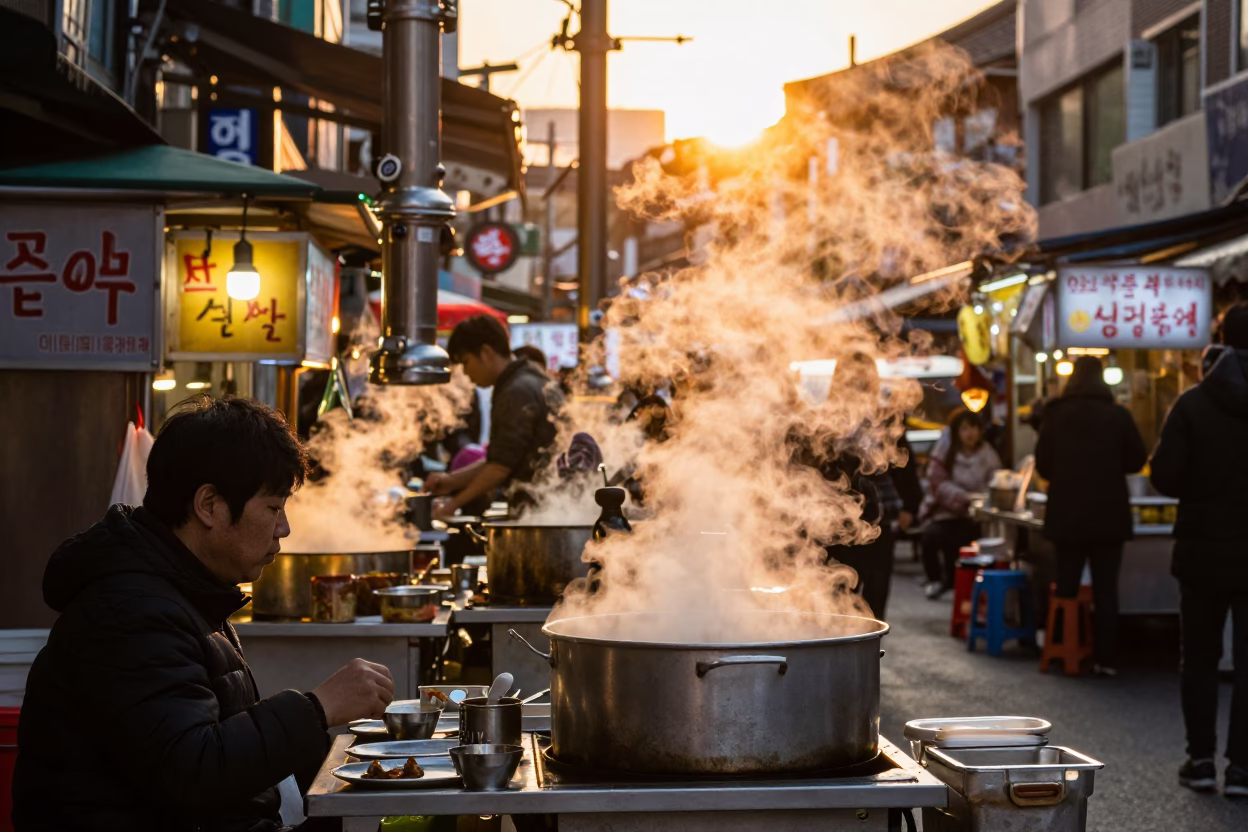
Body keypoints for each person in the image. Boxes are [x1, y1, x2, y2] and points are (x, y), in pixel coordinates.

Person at [14, 397, 395, 832]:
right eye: (273, 507)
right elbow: (193, 770)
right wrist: (317, 708)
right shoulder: (129, 612)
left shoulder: (186, 592)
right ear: (209, 505)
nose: (284, 528)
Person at [1151, 301, 1248, 797]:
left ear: (1222, 340)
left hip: (1202, 548)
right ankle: (1243, 770)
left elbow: (1164, 475)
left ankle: (1202, 760)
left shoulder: (1193, 403)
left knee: (1201, 657)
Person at [1034, 355, 1147, 676]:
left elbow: (1043, 465)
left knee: (1067, 585)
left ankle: (1061, 650)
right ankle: (1106, 658)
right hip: (1109, 516)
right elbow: (1137, 460)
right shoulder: (1118, 416)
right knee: (1106, 589)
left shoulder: (1056, 415)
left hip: (1067, 516)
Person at [428, 316, 559, 518]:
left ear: (486, 353)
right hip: (552, 507)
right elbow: (501, 458)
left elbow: (499, 468)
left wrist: (452, 505)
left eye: (466, 362)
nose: (465, 372)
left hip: (543, 511)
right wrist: (451, 481)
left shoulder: (516, 391)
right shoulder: (529, 378)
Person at [919, 409, 1001, 598]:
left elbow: (996, 481)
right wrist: (965, 497)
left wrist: (981, 499)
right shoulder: (944, 454)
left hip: (977, 516)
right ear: (956, 432)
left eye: (973, 428)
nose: (969, 433)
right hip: (945, 513)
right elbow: (938, 484)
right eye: (964, 428)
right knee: (931, 537)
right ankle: (936, 580)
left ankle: (965, 584)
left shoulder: (989, 456)